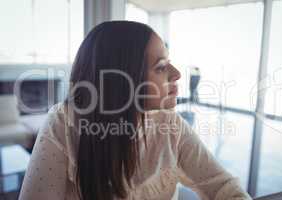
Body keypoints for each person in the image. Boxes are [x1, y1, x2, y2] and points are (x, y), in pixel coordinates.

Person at [19, 21, 252, 200]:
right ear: (123, 80)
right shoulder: (63, 124)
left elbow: (224, 188)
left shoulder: (171, 125)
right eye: (161, 67)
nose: (176, 73)